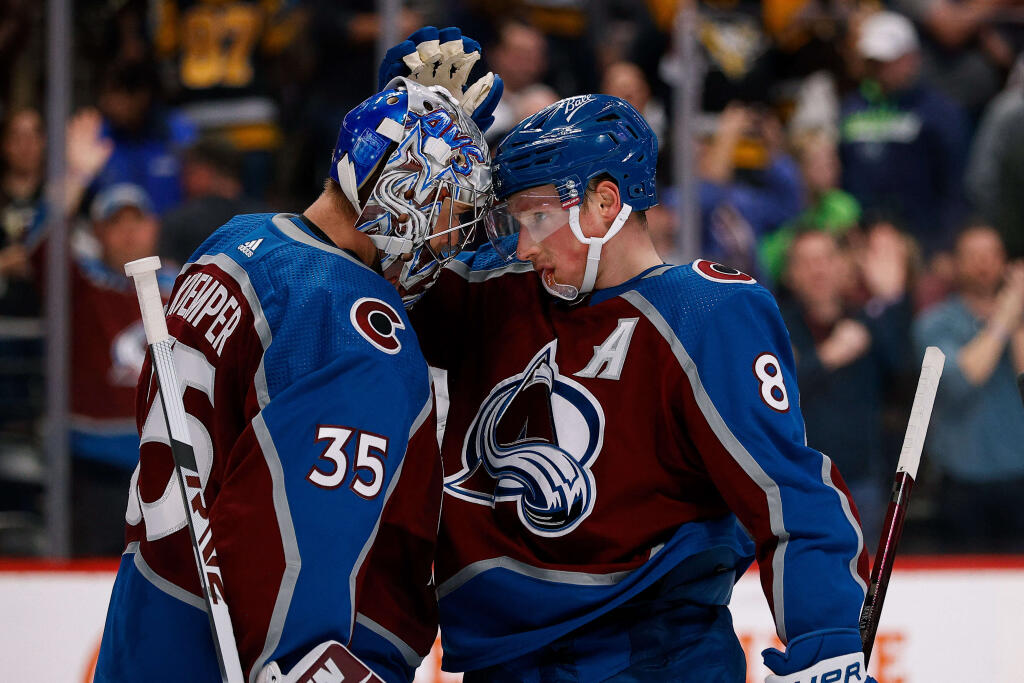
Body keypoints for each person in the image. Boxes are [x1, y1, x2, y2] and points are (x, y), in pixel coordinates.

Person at [382, 35, 871, 681]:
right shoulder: (491, 289)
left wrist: (826, 639)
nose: (522, 246)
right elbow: (367, 280)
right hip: (501, 662)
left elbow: (787, 490)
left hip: (652, 656)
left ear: (604, 203)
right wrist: (398, 141)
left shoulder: (705, 313)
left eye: (534, 218)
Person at [94, 77, 492, 682]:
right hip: (251, 654)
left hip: (148, 621)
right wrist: (307, 661)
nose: (452, 239)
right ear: (400, 191)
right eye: (450, 212)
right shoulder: (350, 319)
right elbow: (298, 540)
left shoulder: (236, 242)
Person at [778, 225, 913, 550]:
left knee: (864, 586)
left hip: (861, 483)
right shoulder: (777, 326)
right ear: (791, 274)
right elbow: (776, 396)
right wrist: (828, 357)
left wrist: (891, 299)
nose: (818, 270)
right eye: (806, 262)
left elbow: (906, 379)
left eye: (825, 259)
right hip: (797, 487)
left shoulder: (869, 321)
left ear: (843, 266)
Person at [913, 223, 1024, 552]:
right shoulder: (935, 322)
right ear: (955, 264)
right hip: (961, 481)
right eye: (973, 256)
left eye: (991, 255)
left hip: (1019, 474)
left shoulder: (1017, 317)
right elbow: (960, 381)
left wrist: (1017, 318)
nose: (983, 264)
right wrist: (1006, 315)